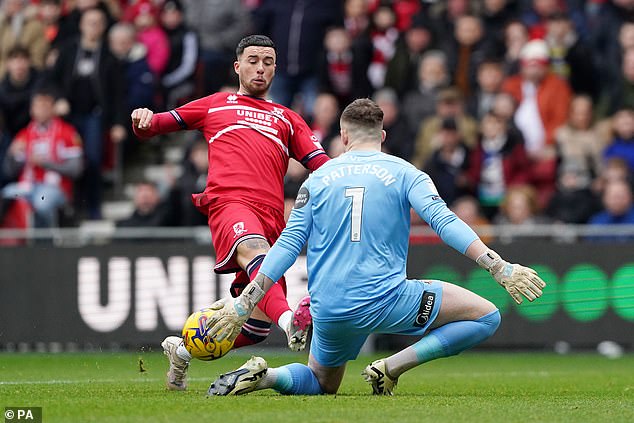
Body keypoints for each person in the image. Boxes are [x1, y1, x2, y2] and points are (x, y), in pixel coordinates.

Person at [204, 98, 546, 397]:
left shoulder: (318, 179)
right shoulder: (405, 172)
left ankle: (270, 377)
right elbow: (443, 223)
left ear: (344, 137)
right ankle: (393, 366)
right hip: (390, 301)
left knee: (322, 383)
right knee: (486, 316)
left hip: (331, 310)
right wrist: (498, 266)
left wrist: (245, 302)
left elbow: (287, 245)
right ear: (382, 136)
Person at [130, 35, 329, 391]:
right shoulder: (216, 104)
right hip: (229, 203)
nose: (260, 67)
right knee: (254, 251)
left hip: (272, 217)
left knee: (251, 329)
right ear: (238, 66)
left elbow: (324, 168)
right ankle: (290, 323)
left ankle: (182, 352)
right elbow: (156, 125)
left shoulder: (288, 119)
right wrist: (142, 118)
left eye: (268, 61)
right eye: (253, 60)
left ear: (275, 69)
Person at [1, 86, 83, 228]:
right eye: (37, 106)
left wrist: (45, 163)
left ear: (53, 108)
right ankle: (14, 243)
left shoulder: (67, 132)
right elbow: (8, 171)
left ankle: (43, 245)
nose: (41, 110)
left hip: (55, 187)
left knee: (42, 203)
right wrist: (11, 155)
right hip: (27, 186)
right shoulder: (24, 134)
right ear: (31, 110)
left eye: (45, 106)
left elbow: (77, 169)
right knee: (6, 194)